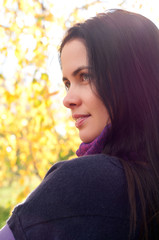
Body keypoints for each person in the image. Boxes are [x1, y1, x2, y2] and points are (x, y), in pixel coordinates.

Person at [1, 9, 159, 240]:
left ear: (132, 80)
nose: (67, 100)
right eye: (67, 83)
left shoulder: (84, 181)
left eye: (85, 77)